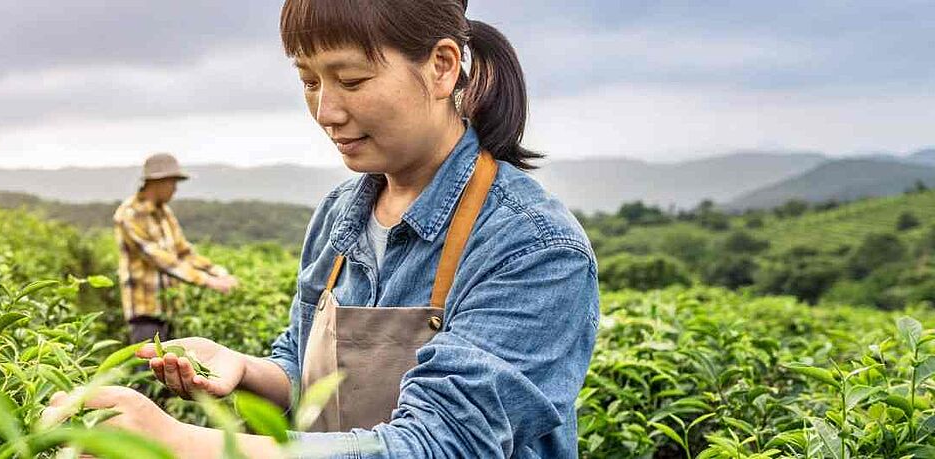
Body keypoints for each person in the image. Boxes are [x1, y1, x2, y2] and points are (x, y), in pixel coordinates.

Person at [49, 0, 599, 457]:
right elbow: (307, 369)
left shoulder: (533, 248)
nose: (326, 110)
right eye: (309, 81)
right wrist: (247, 371)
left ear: (442, 67)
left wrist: (177, 442)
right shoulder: (341, 214)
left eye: (351, 80)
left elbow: (440, 443)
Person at [113, 152, 240, 343]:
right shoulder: (129, 214)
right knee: (148, 370)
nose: (175, 189)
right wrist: (206, 281)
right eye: (172, 183)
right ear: (157, 182)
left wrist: (216, 271)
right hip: (145, 313)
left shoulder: (164, 213)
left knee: (171, 369)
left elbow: (184, 252)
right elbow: (161, 260)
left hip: (170, 311)